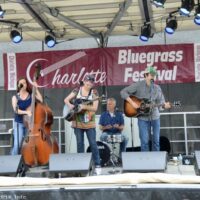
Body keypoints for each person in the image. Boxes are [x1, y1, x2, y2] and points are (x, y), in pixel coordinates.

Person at [120, 66, 171, 152]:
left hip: (155, 117)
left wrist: (164, 106)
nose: (153, 77)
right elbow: (123, 92)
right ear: (146, 75)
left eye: (154, 75)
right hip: (142, 118)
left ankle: (156, 161)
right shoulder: (138, 85)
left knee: (156, 141)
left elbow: (161, 103)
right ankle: (146, 161)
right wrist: (132, 103)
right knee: (144, 141)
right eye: (151, 75)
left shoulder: (157, 88)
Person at [64, 74, 101, 174]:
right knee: (80, 144)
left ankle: (97, 164)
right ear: (84, 81)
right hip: (77, 121)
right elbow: (66, 99)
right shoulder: (77, 90)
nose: (89, 83)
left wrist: (84, 107)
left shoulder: (94, 92)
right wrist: (71, 106)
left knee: (93, 143)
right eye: (88, 81)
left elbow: (95, 108)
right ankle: (81, 165)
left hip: (90, 122)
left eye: (91, 81)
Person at [11, 77, 43, 155]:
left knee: (28, 144)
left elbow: (41, 100)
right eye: (21, 83)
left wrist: (36, 89)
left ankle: (27, 161)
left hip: (29, 124)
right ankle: (12, 161)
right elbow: (16, 110)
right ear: (18, 85)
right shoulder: (15, 97)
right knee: (17, 144)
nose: (23, 84)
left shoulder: (30, 95)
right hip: (19, 123)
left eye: (25, 83)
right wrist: (26, 112)